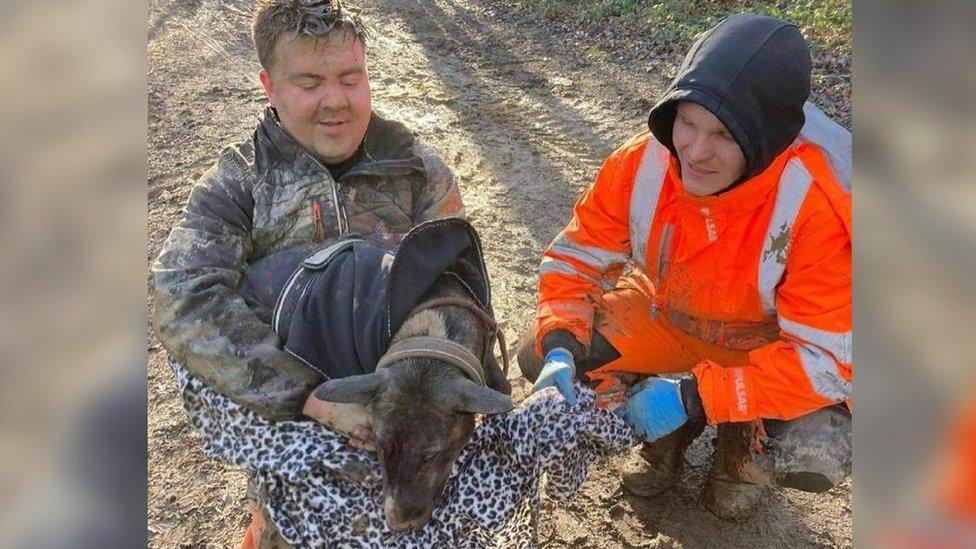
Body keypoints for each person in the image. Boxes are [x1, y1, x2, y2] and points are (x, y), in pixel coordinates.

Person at [516, 13, 852, 521]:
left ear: (766, 137)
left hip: (764, 349)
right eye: (687, 122)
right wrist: (562, 343)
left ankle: (740, 455)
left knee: (819, 445)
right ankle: (664, 434)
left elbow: (826, 362)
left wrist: (698, 395)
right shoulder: (641, 162)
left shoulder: (813, 203)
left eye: (722, 134)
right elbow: (575, 257)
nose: (694, 151)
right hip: (664, 316)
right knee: (540, 350)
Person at [151, 0, 463, 545]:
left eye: (350, 78)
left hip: (403, 433)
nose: (335, 101)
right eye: (309, 82)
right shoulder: (239, 185)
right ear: (269, 87)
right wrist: (309, 397)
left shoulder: (418, 171)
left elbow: (459, 293)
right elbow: (183, 297)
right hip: (294, 433)